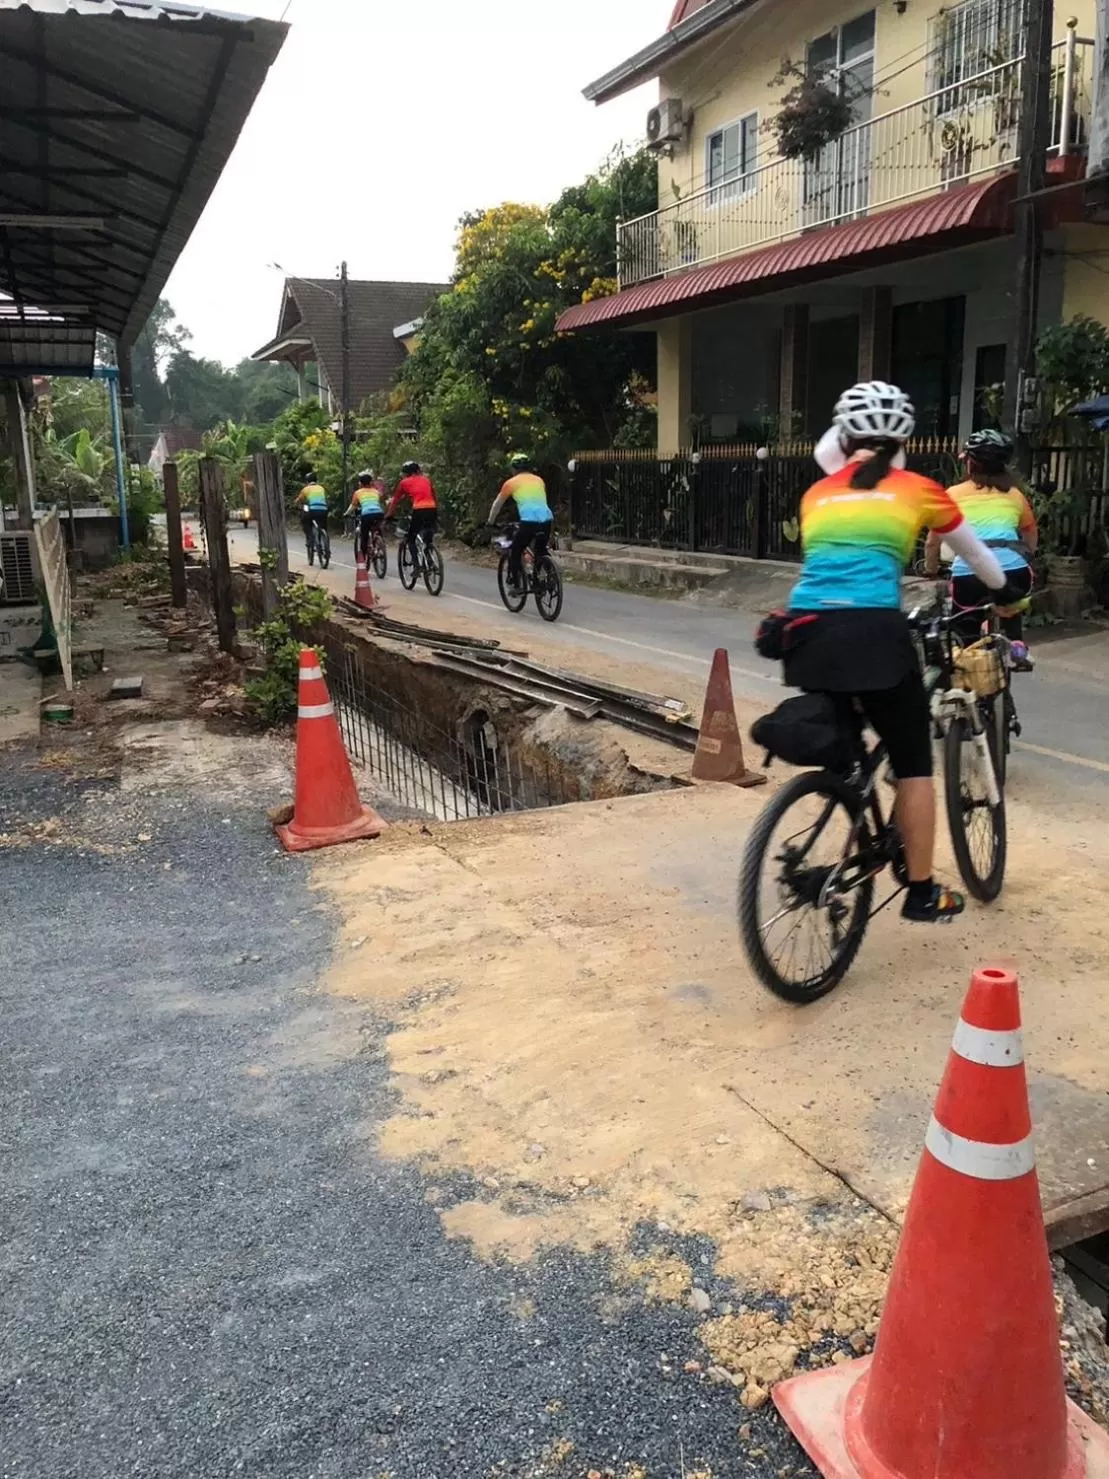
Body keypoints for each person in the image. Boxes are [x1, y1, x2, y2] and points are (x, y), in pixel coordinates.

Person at [781, 381, 1021, 924]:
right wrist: (1006, 590)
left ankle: (847, 798)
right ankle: (919, 892)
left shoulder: (819, 492)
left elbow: (830, 454)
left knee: (851, 740)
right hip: (874, 637)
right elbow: (981, 562)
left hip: (805, 634)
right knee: (914, 764)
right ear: (905, 439)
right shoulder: (918, 489)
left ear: (843, 437)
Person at [924, 429, 1038, 671]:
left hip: (969, 574)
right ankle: (1017, 647)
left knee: (967, 632)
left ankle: (972, 675)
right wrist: (1027, 556)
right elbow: (1029, 533)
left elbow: (933, 542)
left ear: (971, 464)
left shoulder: (952, 495)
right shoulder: (1015, 495)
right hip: (1015, 569)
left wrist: (931, 570)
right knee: (1010, 604)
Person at [486, 453, 554, 591]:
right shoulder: (539, 480)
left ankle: (516, 584)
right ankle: (547, 577)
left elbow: (497, 504)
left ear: (513, 468)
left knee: (516, 550)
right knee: (540, 549)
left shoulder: (511, 483)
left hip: (529, 521)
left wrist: (490, 522)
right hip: (547, 519)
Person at [386, 460, 438, 565]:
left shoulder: (404, 482)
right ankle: (429, 558)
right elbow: (433, 495)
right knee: (428, 534)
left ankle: (416, 565)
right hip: (432, 508)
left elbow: (396, 500)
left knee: (411, 538)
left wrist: (389, 514)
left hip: (419, 509)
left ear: (406, 473)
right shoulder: (426, 480)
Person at [346, 469, 387, 561]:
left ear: (360, 483)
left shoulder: (358, 493)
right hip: (379, 514)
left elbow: (353, 506)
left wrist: (346, 513)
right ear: (371, 483)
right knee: (377, 529)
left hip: (367, 514)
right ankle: (380, 545)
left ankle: (363, 559)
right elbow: (380, 501)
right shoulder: (376, 492)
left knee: (364, 536)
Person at [294, 474, 329, 562]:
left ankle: (310, 539)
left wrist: (297, 505)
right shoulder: (321, 488)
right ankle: (325, 542)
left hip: (312, 509)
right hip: (323, 509)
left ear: (307, 481)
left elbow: (299, 500)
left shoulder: (305, 489)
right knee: (323, 526)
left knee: (305, 521)